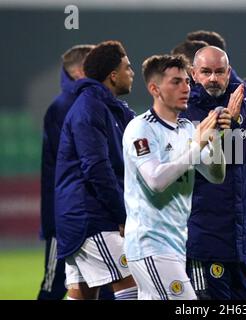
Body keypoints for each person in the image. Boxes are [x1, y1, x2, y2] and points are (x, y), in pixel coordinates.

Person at [122, 54, 230, 300]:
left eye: (186, 82)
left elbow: (216, 176)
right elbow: (156, 181)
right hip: (150, 244)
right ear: (154, 88)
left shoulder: (187, 129)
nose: (185, 88)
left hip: (175, 244)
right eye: (175, 82)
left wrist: (214, 140)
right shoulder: (141, 128)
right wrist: (196, 146)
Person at [182, 46, 246, 300]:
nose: (213, 78)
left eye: (219, 72)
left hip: (240, 238)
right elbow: (213, 164)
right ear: (194, 74)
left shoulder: (243, 105)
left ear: (228, 73)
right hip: (205, 237)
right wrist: (232, 123)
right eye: (206, 72)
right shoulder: (187, 114)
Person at [54, 40, 138, 300]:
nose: (132, 73)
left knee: (82, 294)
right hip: (92, 217)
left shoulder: (111, 108)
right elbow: (96, 168)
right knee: (133, 282)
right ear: (113, 75)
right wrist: (122, 215)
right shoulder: (89, 108)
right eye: (128, 67)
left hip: (81, 216)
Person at [38, 44, 94, 300]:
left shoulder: (89, 102)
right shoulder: (62, 108)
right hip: (66, 214)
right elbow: (70, 166)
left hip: (86, 213)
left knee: (96, 286)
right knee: (54, 285)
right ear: (82, 70)